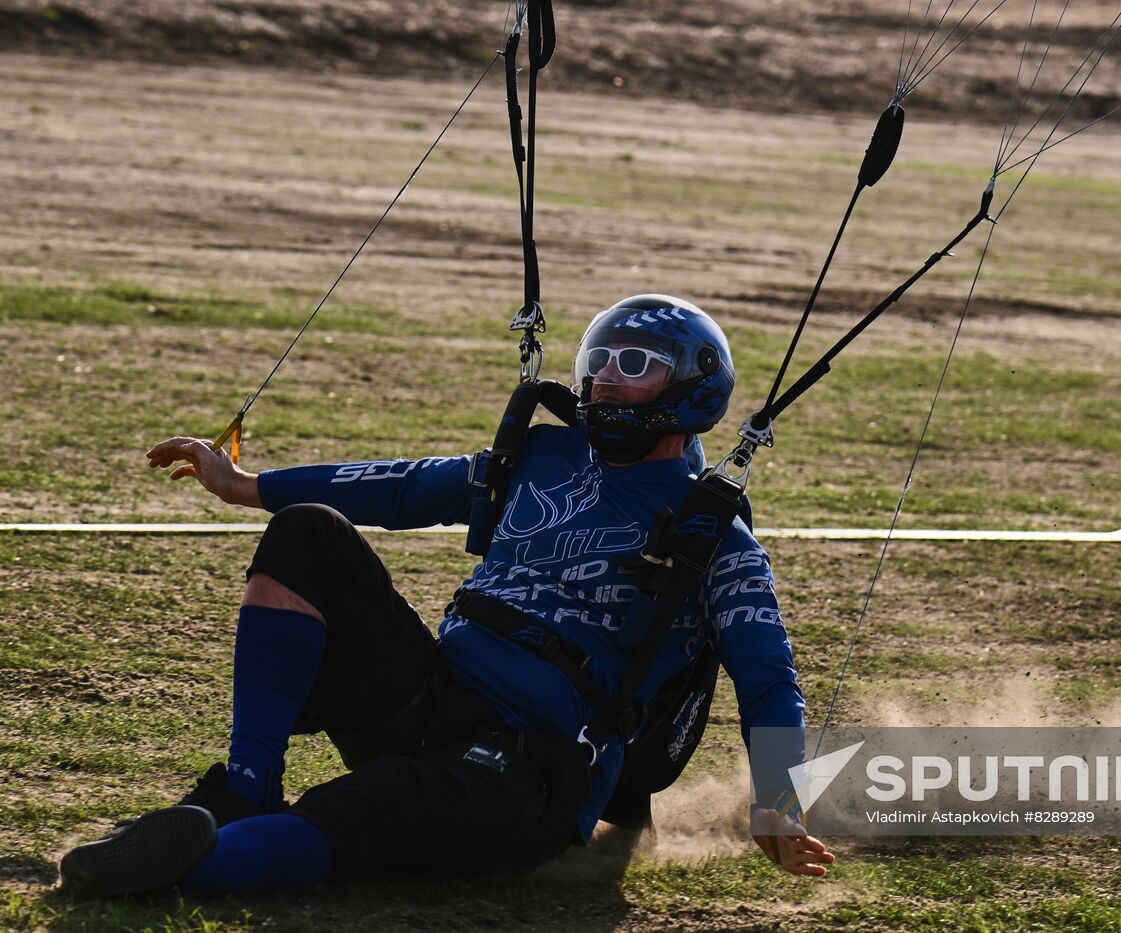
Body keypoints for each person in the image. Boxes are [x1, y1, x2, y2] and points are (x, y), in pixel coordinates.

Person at [59, 295, 835, 897]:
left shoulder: (716, 538)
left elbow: (769, 678)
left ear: (696, 385)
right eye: (600, 358)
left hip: (527, 772)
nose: (604, 375)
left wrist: (776, 802)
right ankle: (244, 785)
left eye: (636, 361)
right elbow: (404, 484)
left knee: (378, 799)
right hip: (434, 697)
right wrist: (250, 485)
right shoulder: (540, 455)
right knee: (309, 533)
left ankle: (194, 866)